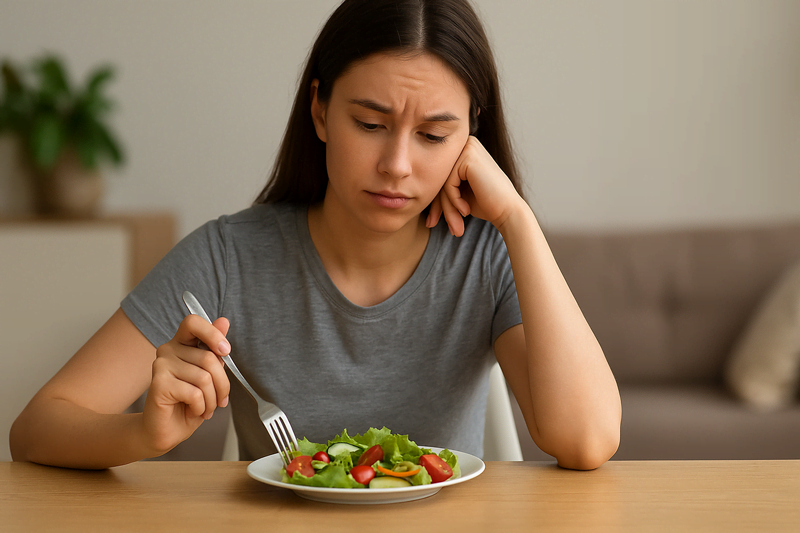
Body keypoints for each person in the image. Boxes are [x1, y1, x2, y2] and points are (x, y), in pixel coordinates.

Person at [10, 0, 621, 470]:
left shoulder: (486, 256)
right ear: (321, 110)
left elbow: (588, 440)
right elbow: (36, 428)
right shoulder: (228, 257)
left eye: (434, 136)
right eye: (370, 124)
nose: (397, 166)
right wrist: (144, 434)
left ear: (470, 137)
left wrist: (516, 217)